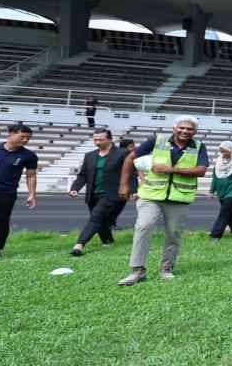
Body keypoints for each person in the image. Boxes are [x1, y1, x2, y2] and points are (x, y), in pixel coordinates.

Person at [116, 116, 209, 286]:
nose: (185, 131)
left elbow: (201, 170)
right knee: (144, 226)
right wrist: (123, 184)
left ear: (194, 132)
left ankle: (167, 268)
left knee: (173, 233)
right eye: (181, 128)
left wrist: (170, 169)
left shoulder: (199, 146)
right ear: (174, 128)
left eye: (189, 129)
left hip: (179, 198)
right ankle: (137, 270)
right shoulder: (156, 140)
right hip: (151, 195)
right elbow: (130, 158)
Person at [68, 128, 126, 256]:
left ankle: (79, 245)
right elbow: (83, 175)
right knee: (102, 219)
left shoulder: (122, 153)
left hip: (111, 193)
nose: (97, 142)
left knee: (95, 217)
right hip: (93, 194)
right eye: (95, 139)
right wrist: (74, 188)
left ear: (110, 139)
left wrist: (131, 190)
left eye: (101, 139)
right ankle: (108, 241)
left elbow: (129, 174)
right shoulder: (90, 156)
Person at [0, 123, 38, 259]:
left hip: (6, 193)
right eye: (22, 136)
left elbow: (31, 176)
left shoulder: (29, 156)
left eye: (28, 138)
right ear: (11, 133)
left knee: (1, 221)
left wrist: (31, 194)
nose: (25, 140)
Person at [109, 138, 139, 229]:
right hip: (123, 185)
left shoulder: (114, 153)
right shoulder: (128, 155)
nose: (134, 147)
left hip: (112, 184)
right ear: (128, 146)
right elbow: (131, 173)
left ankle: (109, 223)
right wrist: (134, 190)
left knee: (113, 206)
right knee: (118, 206)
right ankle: (110, 223)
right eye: (133, 146)